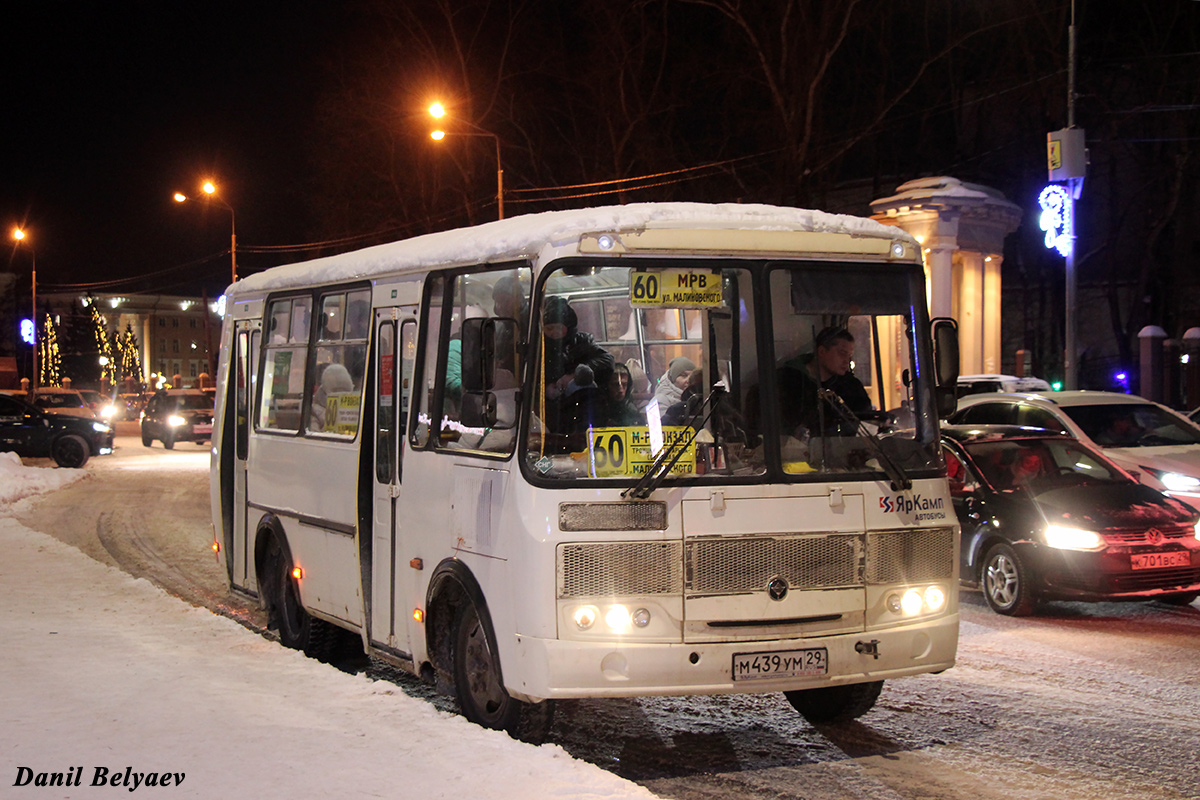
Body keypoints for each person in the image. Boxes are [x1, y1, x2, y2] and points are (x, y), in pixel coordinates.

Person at [777, 326, 872, 436]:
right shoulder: (789, 382)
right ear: (822, 351)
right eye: (842, 353)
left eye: (849, 355)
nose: (847, 361)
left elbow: (865, 420)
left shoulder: (851, 387)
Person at [540, 296, 614, 433]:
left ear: (568, 328)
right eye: (549, 328)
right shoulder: (539, 350)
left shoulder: (582, 342)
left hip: (581, 405)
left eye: (559, 328)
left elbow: (607, 360)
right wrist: (544, 389)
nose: (554, 333)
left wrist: (575, 375)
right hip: (551, 412)